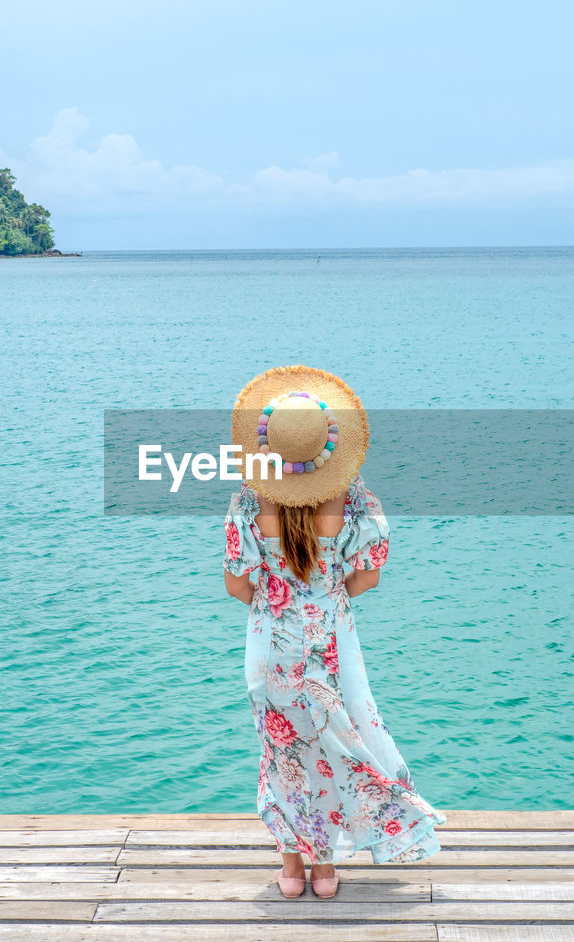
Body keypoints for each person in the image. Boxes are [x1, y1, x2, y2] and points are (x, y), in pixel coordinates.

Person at [222, 365, 446, 900]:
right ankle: (325, 870)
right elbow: (366, 576)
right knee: (334, 745)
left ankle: (292, 873)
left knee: (284, 753)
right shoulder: (352, 500)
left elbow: (237, 588)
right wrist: (323, 594)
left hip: (270, 646)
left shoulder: (250, 503)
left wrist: (277, 606)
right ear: (329, 445)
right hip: (330, 641)